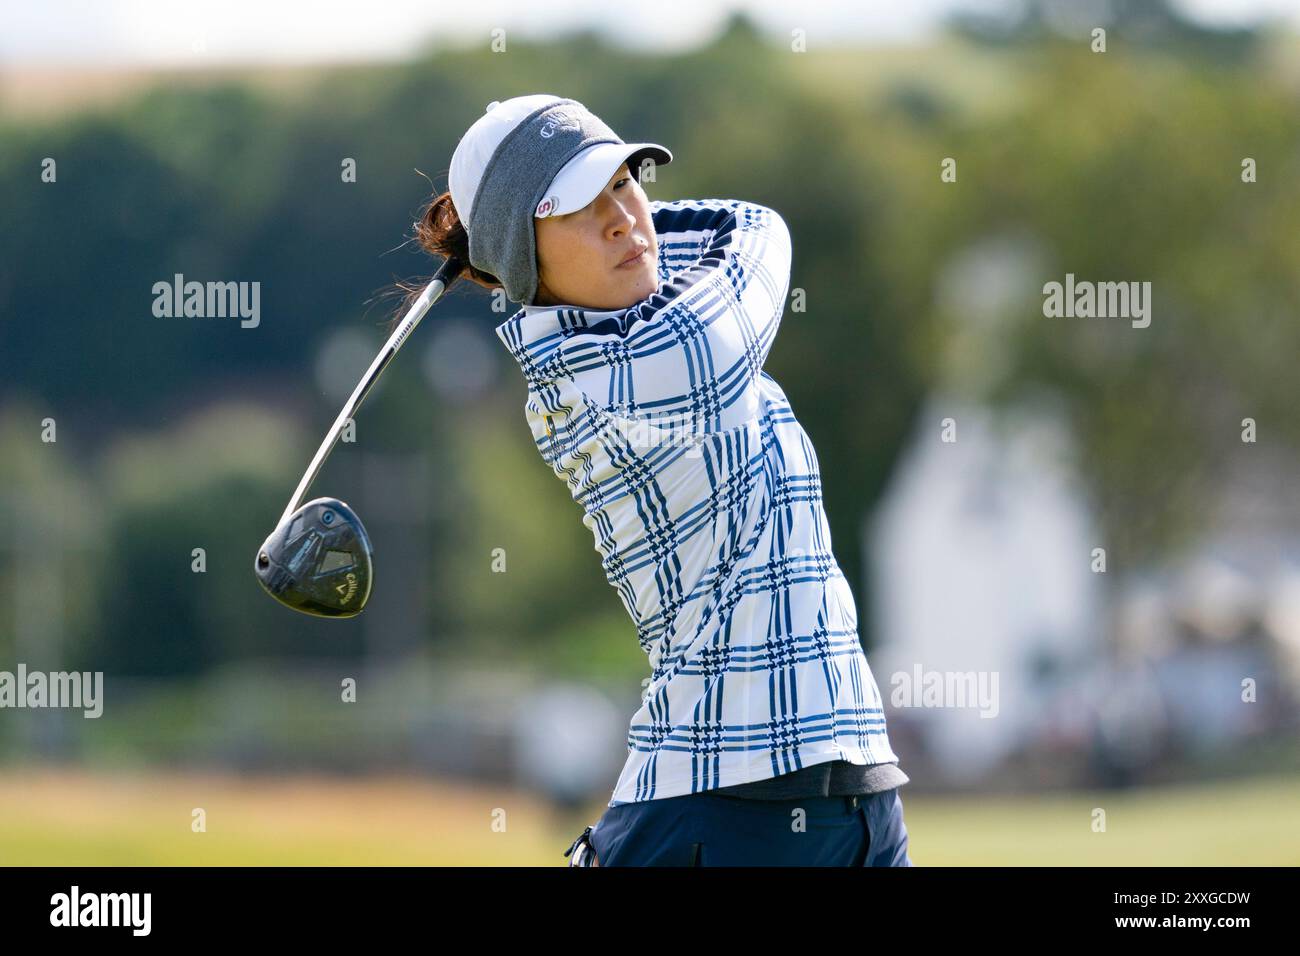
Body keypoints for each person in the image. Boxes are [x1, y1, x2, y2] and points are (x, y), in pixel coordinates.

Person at [407, 93, 913, 866]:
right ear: (521, 256)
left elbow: (726, 238)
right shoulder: (617, 372)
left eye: (624, 183)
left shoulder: (657, 319)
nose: (622, 217)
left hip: (854, 800)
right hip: (726, 813)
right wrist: (640, 230)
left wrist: (618, 222)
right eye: (578, 206)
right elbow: (759, 230)